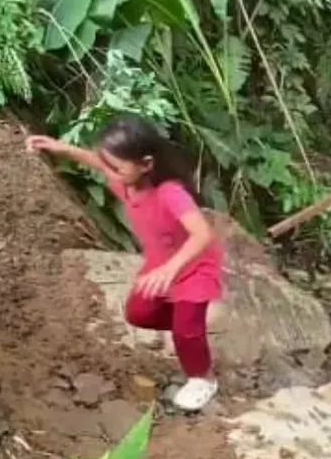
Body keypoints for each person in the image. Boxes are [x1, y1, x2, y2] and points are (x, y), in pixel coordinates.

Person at [26, 115, 225, 411]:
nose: (108, 172)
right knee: (139, 314)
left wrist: (171, 270)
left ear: (146, 164)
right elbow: (96, 161)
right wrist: (61, 148)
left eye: (115, 167)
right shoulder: (126, 182)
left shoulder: (170, 193)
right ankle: (190, 325)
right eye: (108, 165)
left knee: (186, 330)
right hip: (161, 263)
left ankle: (203, 378)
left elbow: (202, 233)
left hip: (194, 267)